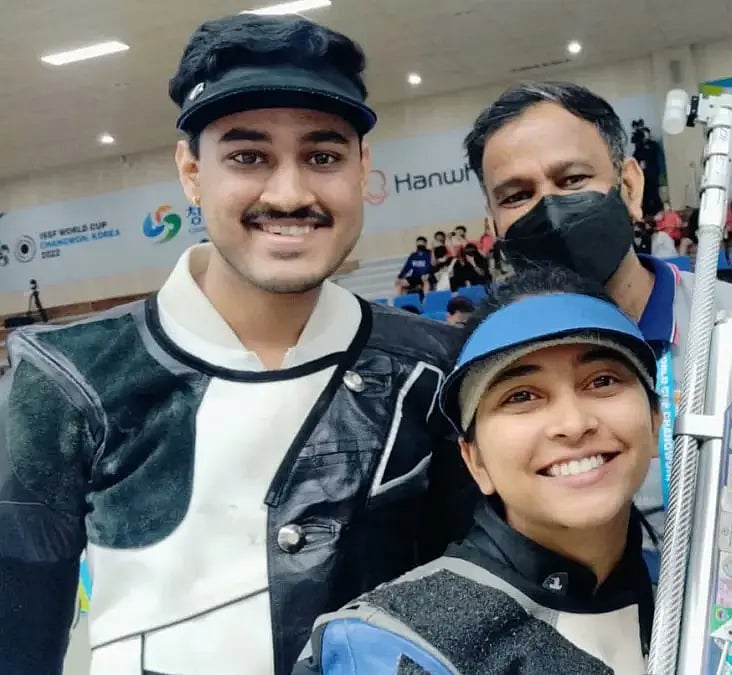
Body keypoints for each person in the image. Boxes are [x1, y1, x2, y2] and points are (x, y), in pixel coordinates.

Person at [0, 14, 474, 675]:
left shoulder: (438, 368)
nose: (289, 192)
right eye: (248, 156)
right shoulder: (70, 379)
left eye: (323, 156)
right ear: (192, 171)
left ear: (364, 168)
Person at [294, 268, 732, 675]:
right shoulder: (389, 644)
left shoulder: (710, 603)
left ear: (656, 418)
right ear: (474, 459)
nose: (573, 424)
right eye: (522, 396)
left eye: (602, 381)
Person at [463, 81, 732, 598]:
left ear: (630, 185)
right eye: (517, 195)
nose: (549, 210)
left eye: (572, 179)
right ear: (493, 223)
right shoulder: (484, 369)